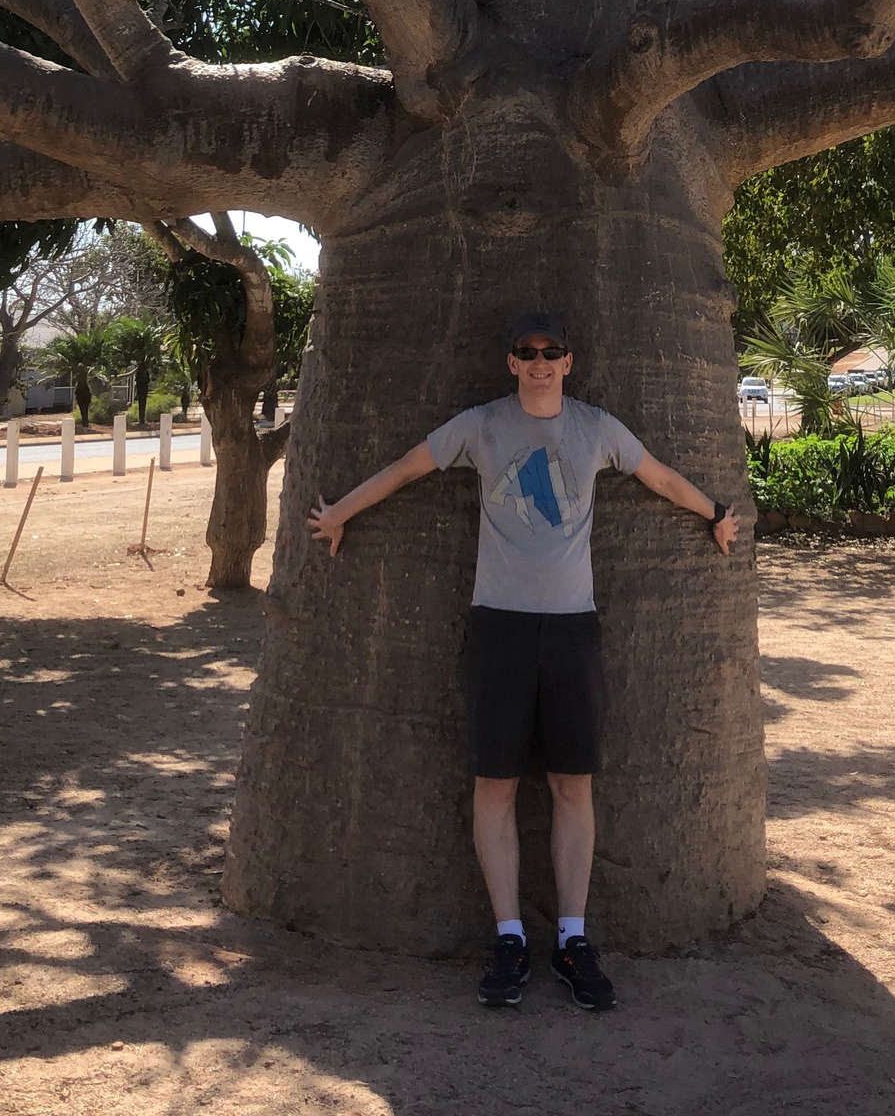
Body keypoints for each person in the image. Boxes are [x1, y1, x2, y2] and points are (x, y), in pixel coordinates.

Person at [308, 312, 740, 1012]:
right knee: (496, 786)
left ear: (570, 362)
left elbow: (658, 477)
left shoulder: (597, 428)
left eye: (551, 353)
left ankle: (572, 940)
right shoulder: (481, 425)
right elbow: (408, 469)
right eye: (526, 353)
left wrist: (715, 511)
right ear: (511, 362)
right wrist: (342, 514)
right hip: (499, 631)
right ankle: (509, 938)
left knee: (574, 785)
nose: (539, 362)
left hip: (573, 632)